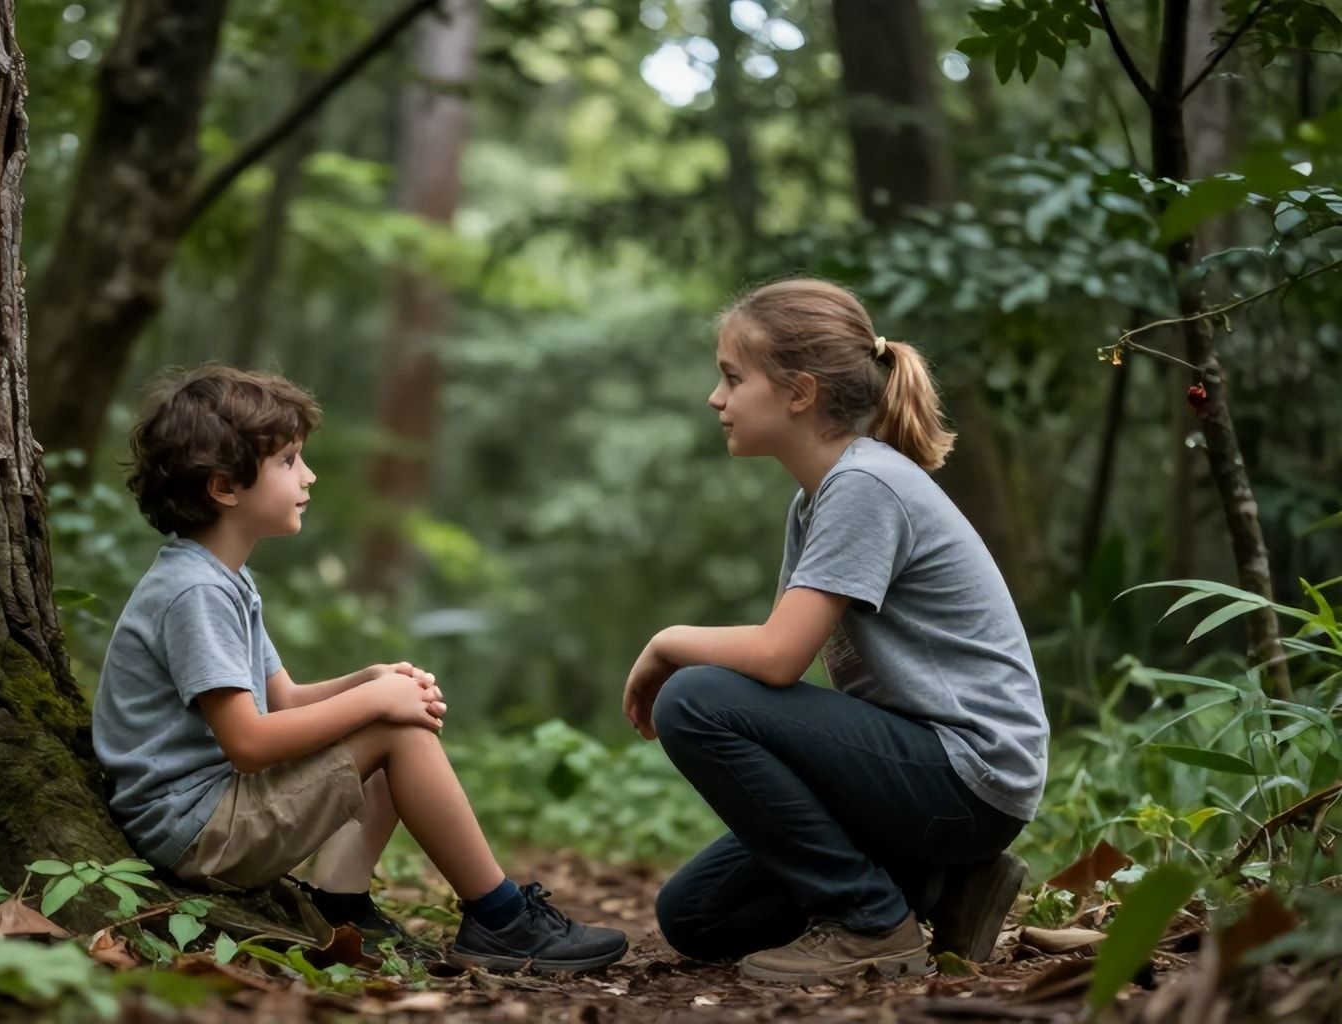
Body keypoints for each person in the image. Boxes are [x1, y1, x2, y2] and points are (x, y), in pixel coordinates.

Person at [93, 364, 628, 973]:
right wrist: (380, 707)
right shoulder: (195, 593)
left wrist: (370, 680)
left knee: (390, 711)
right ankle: (502, 919)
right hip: (195, 831)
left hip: (209, 814)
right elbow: (247, 742)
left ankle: (342, 906)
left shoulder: (223, 579)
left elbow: (286, 701)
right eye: (290, 461)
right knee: (396, 730)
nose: (308, 475)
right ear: (224, 487)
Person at [622, 278, 1047, 984]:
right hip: (924, 776)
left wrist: (666, 641)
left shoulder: (865, 486)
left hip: (968, 774)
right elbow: (783, 658)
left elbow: (778, 658)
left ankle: (871, 923)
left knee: (694, 698)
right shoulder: (818, 499)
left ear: (800, 392)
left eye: (732, 377)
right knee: (696, 917)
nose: (715, 398)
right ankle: (940, 887)